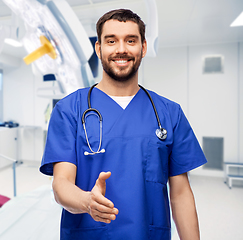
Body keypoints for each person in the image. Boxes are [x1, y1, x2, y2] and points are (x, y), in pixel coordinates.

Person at [40, 8, 207, 240]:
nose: (121, 49)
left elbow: (180, 194)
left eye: (131, 40)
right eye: (111, 41)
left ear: (143, 48)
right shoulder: (70, 109)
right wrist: (86, 201)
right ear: (99, 49)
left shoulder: (169, 113)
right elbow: (61, 184)